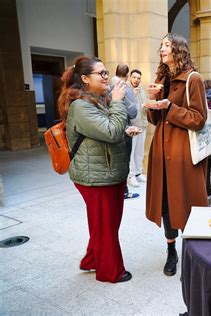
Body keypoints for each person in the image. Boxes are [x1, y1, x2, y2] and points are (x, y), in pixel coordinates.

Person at [58, 56, 132, 283]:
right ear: (84, 79)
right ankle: (111, 271)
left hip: (108, 172)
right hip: (96, 177)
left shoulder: (97, 100)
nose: (106, 76)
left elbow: (109, 129)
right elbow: (110, 131)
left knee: (105, 223)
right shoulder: (80, 106)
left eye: (106, 71)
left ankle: (91, 260)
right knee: (106, 226)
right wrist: (118, 101)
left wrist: (125, 129)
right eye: (100, 73)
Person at [144, 33, 208, 277]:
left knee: (187, 202)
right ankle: (172, 252)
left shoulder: (193, 79)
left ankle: (195, 254)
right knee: (165, 205)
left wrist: (170, 107)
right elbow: (155, 119)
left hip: (183, 153)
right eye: (161, 45)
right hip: (161, 151)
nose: (162, 49)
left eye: (167, 45)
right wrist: (152, 101)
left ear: (178, 49)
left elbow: (199, 119)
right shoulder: (161, 79)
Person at [110, 64, 140, 199]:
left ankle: (114, 192)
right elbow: (133, 113)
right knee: (124, 161)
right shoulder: (125, 89)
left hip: (108, 128)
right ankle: (123, 191)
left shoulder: (106, 86)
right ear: (127, 76)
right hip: (124, 129)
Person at [127, 69, 148, 187]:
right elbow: (127, 107)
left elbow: (144, 105)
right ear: (130, 77)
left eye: (138, 78)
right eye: (134, 77)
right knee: (131, 152)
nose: (136, 80)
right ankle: (131, 175)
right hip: (132, 126)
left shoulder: (142, 90)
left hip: (142, 125)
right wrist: (133, 97)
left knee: (139, 151)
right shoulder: (127, 90)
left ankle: (138, 173)